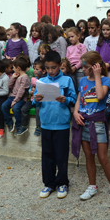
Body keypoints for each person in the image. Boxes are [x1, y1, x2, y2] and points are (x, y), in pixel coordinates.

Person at [72, 51, 110, 205]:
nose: (83, 70)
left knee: (102, 157)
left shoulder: (106, 80)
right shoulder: (82, 81)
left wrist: (96, 76)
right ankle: (92, 186)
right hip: (83, 122)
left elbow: (100, 96)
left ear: (95, 66)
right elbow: (79, 100)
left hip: (98, 123)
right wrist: (75, 112)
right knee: (88, 156)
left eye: (86, 67)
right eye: (82, 67)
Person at [34, 51, 77, 199]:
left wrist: (66, 99)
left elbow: (73, 98)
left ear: (59, 65)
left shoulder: (67, 80)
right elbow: (34, 101)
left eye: (53, 67)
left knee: (61, 155)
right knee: (47, 155)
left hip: (62, 124)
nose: (51, 71)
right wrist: (37, 99)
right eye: (47, 68)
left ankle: (63, 183)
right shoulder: (42, 81)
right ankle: (49, 184)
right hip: (46, 123)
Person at [1, 57, 31, 134]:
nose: (13, 69)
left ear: (18, 68)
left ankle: (19, 126)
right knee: (3, 106)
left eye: (13, 67)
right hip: (12, 97)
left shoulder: (25, 78)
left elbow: (21, 91)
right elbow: (10, 86)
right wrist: (13, 78)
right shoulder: (17, 76)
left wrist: (15, 101)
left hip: (21, 99)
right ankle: (9, 123)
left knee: (16, 108)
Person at [18, 60, 47, 137]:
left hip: (40, 101)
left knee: (38, 109)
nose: (35, 71)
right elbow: (30, 89)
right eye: (34, 68)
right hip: (32, 100)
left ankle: (38, 126)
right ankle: (24, 126)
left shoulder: (45, 80)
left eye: (37, 69)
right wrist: (31, 91)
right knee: (24, 109)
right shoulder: (33, 79)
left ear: (43, 71)